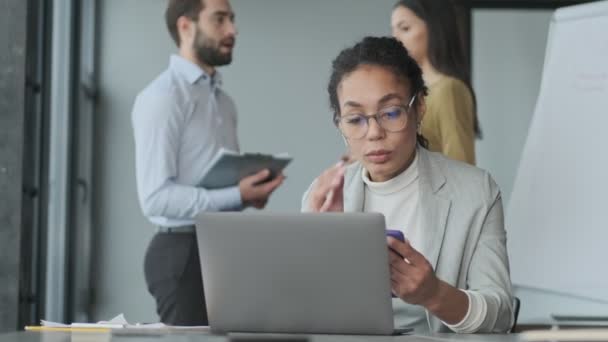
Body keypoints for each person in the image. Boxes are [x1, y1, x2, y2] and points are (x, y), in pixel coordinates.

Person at [301, 37, 513, 333]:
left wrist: (434, 294)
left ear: (419, 107)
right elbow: (305, 311)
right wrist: (324, 246)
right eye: (355, 119)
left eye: (390, 113)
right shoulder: (322, 196)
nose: (374, 133)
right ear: (339, 123)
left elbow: (501, 314)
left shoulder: (476, 191)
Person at [131, 0, 284, 325]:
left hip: (221, 247)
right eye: (220, 19)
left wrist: (249, 193)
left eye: (232, 19)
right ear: (186, 26)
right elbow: (154, 197)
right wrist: (237, 195)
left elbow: (219, 187)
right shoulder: (163, 97)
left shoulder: (224, 103)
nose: (233, 30)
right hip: (182, 252)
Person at [391, 0, 479, 165]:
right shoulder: (407, 92)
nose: (395, 38)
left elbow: (461, 165)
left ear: (434, 28)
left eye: (405, 28)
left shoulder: (449, 90)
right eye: (393, 30)